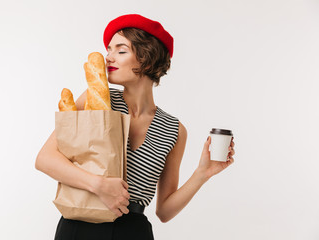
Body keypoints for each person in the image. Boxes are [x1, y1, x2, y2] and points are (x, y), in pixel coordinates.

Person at [35, 14, 235, 240]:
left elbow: (164, 211)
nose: (108, 57)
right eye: (109, 50)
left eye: (120, 51)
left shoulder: (174, 130)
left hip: (132, 231)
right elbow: (45, 158)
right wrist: (98, 185)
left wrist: (203, 173)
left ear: (147, 59)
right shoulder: (96, 100)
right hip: (80, 225)